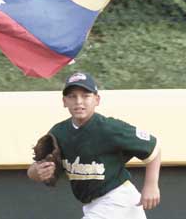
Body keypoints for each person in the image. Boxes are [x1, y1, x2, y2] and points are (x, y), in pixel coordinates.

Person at [27, 72, 161, 219]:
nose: (79, 101)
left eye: (86, 95)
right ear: (64, 101)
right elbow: (34, 171)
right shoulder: (59, 132)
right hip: (95, 206)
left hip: (118, 199)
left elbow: (153, 146)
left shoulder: (109, 128)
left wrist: (151, 185)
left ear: (97, 99)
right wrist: (37, 171)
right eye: (72, 96)